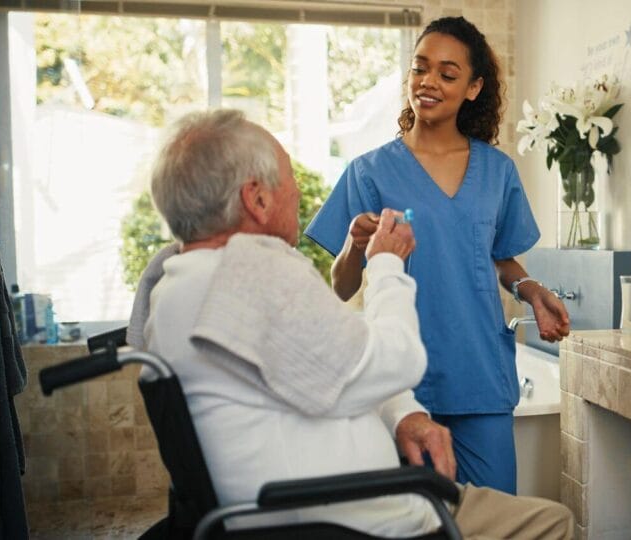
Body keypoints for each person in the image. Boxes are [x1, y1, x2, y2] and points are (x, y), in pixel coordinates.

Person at [130, 109, 574, 538]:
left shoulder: (178, 283)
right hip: (354, 514)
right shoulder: (255, 273)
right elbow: (393, 361)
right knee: (555, 520)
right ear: (257, 198)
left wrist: (401, 414)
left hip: (300, 504)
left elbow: (325, 364)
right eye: (286, 180)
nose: (297, 195)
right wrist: (384, 263)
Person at [305, 16, 570, 495]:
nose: (428, 82)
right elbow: (343, 286)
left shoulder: (497, 171)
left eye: (447, 74)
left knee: (495, 520)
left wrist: (532, 291)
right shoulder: (369, 171)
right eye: (420, 68)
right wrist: (351, 245)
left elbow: (499, 259)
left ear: (473, 88)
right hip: (402, 386)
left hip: (480, 377)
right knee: (415, 522)